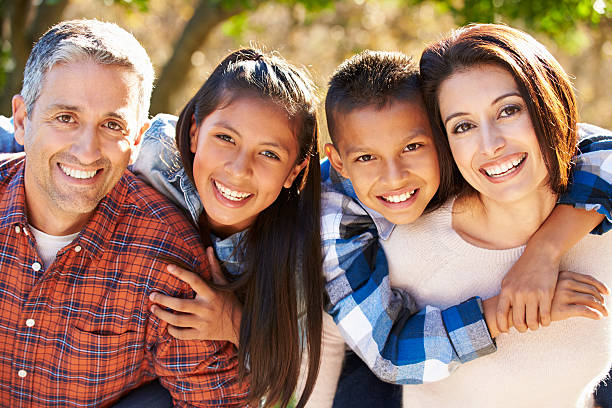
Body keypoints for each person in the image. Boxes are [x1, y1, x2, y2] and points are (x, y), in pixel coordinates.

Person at [310, 48, 612, 407]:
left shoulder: (478, 165)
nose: (394, 176)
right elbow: (388, 349)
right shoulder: (336, 211)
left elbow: (595, 146)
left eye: (412, 146)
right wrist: (509, 309)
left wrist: (542, 252)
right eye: (366, 158)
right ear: (340, 162)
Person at [0, 19, 248, 407]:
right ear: (21, 118)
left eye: (112, 125)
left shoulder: (167, 260)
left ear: (136, 139)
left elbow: (217, 402)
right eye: (65, 117)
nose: (86, 150)